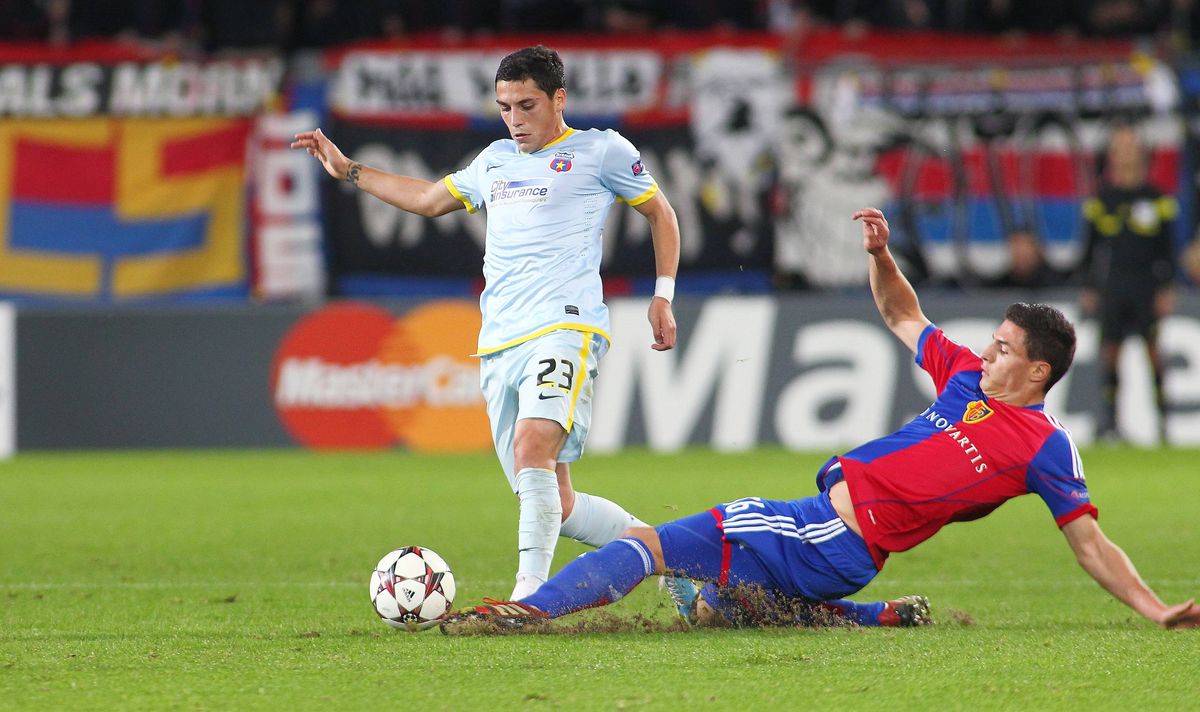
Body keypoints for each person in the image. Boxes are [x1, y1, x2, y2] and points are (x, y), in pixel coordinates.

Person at [442, 207, 1200, 632]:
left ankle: (524, 612)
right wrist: (882, 255)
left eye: (1003, 347)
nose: (987, 350)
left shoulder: (1043, 446)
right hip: (831, 539)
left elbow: (1090, 543)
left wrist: (1156, 608)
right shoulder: (966, 376)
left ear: (1038, 372)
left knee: (651, 546)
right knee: (719, 608)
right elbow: (903, 315)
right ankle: (872, 618)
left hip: (833, 533)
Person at [292, 46, 689, 602]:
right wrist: (349, 170)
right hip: (500, 342)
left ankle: (529, 597)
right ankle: (680, 564)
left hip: (565, 328)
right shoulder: (494, 160)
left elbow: (660, 212)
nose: (514, 119)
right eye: (504, 107)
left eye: (527, 105)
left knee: (533, 446)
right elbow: (428, 199)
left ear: (558, 99)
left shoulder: (601, 150)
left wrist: (662, 296)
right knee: (558, 504)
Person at [1079, 124, 1178, 443]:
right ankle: (1110, 422)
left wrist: (1167, 287)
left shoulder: (1157, 198)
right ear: (1111, 155)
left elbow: (1168, 249)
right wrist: (1089, 287)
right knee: (1110, 352)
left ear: (1141, 152)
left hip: (1147, 284)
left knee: (1153, 352)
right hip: (1113, 284)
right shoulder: (1101, 199)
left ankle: (1163, 422)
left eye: (1130, 145)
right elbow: (1089, 250)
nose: (1125, 153)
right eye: (1119, 147)